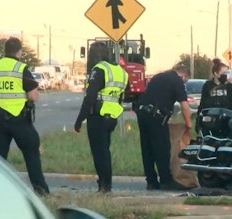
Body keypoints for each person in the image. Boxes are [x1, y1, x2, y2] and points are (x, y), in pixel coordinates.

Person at [0, 37, 49, 195]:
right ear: (20, 51)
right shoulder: (21, 68)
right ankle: (41, 191)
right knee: (32, 153)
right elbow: (33, 96)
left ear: (5, 50)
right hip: (19, 119)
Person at [73, 42, 129, 193]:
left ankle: (104, 185)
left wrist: (79, 120)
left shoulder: (99, 70)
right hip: (112, 117)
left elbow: (90, 97)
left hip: (98, 116)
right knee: (105, 151)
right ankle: (106, 183)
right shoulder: (120, 71)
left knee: (99, 153)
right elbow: (124, 93)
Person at [136, 64, 192, 191]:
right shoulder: (177, 81)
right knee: (162, 148)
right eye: (186, 80)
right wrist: (188, 123)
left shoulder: (158, 77)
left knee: (147, 149)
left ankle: (151, 181)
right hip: (156, 116)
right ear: (183, 76)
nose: (184, 82)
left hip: (142, 114)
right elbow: (184, 105)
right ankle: (166, 181)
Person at [196, 58, 232, 133]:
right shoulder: (207, 86)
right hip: (211, 120)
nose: (225, 75)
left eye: (227, 73)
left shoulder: (229, 86)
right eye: (223, 73)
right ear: (216, 73)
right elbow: (202, 104)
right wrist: (198, 122)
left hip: (226, 121)